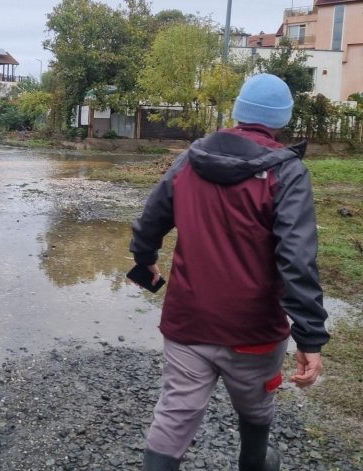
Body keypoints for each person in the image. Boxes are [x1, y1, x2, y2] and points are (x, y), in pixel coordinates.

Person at [129, 73, 330, 471]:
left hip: (188, 322)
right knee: (256, 410)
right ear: (282, 120)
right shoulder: (286, 173)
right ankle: (256, 463)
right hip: (252, 331)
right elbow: (297, 258)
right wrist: (310, 336)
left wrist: (145, 256)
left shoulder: (191, 159)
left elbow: (152, 216)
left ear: (238, 110)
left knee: (174, 415)